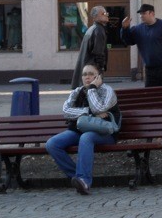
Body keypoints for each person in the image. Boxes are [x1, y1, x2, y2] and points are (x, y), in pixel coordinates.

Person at [46, 64, 121, 195]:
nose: (87, 77)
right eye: (85, 74)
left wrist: (92, 89)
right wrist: (89, 113)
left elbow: (99, 108)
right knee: (52, 144)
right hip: (78, 130)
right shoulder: (77, 91)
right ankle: (78, 176)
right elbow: (66, 111)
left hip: (105, 133)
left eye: (91, 74)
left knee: (86, 137)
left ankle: (84, 181)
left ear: (98, 76)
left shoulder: (107, 91)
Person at [121, 4, 162, 88]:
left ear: (152, 13)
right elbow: (128, 41)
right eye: (140, 14)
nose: (141, 16)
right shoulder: (138, 29)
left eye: (143, 13)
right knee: (150, 94)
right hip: (150, 69)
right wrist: (124, 29)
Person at [71, 6, 110, 89]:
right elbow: (98, 53)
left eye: (107, 13)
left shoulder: (92, 29)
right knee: (93, 94)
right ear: (95, 17)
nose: (106, 15)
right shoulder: (98, 30)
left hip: (87, 68)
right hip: (92, 71)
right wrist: (100, 69)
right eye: (103, 13)